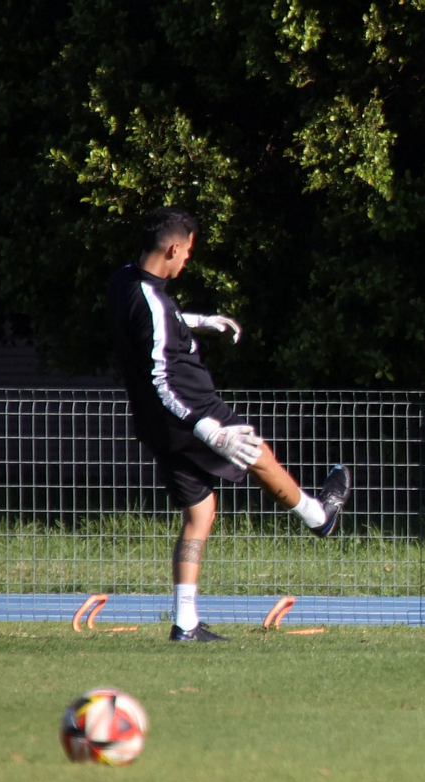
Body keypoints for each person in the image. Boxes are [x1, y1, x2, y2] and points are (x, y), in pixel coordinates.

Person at [108, 207, 350, 642]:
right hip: (190, 408)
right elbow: (160, 380)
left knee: (199, 514)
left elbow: (153, 325)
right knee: (257, 454)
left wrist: (199, 322)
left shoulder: (125, 279)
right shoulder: (154, 304)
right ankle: (319, 515)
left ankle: (185, 624)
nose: (187, 261)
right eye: (187, 253)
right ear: (173, 247)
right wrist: (206, 428)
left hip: (154, 424)